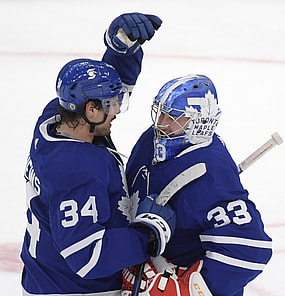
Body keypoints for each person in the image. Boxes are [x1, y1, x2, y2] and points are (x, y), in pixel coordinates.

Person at [20, 13, 177, 296]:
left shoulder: (54, 118)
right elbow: (87, 256)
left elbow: (91, 90)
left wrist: (121, 50)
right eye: (112, 104)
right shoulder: (76, 171)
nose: (117, 110)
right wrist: (147, 235)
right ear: (91, 109)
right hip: (75, 290)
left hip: (45, 276)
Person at [124, 74, 273, 296]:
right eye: (162, 113)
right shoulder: (152, 138)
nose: (162, 123)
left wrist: (189, 290)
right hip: (144, 272)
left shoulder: (213, 173)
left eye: (173, 117)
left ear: (199, 123)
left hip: (170, 278)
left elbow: (250, 249)